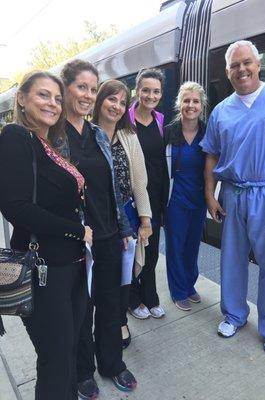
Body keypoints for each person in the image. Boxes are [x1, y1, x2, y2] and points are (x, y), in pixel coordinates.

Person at [200, 40, 265, 357]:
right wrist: (209, 195)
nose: (241, 70)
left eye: (246, 62)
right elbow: (211, 156)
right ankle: (234, 315)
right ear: (227, 71)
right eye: (234, 65)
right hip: (233, 193)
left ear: (258, 64)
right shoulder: (221, 111)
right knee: (232, 258)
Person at [0, 71, 93, 400]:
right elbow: (15, 207)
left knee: (67, 354)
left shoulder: (49, 144)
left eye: (56, 98)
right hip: (44, 271)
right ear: (22, 99)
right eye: (43, 95)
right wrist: (76, 230)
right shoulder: (15, 136)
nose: (52, 104)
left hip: (72, 265)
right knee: (55, 360)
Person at [60, 60, 137, 399]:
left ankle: (112, 363)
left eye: (93, 89)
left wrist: (122, 227)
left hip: (107, 237)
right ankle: (82, 372)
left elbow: (112, 190)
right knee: (80, 310)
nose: (88, 95)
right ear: (66, 88)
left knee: (109, 304)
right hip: (74, 241)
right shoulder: (53, 136)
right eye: (82, 87)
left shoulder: (96, 135)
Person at [92, 79, 153, 349]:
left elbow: (139, 180)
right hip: (95, 218)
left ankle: (119, 321)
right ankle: (98, 323)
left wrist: (145, 219)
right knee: (96, 275)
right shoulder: (85, 134)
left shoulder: (129, 136)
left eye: (122, 102)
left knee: (124, 273)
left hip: (126, 214)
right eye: (111, 99)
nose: (116, 106)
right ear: (99, 100)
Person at [164, 81, 207, 311]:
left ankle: (189, 285)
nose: (191, 105)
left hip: (199, 199)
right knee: (176, 245)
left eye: (196, 101)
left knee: (192, 245)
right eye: (186, 100)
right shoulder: (169, 132)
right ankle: (178, 290)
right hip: (175, 200)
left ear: (202, 106)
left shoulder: (208, 132)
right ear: (179, 103)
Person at [128, 68, 166, 319]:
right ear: (137, 91)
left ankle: (151, 296)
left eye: (156, 91)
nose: (151, 96)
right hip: (133, 197)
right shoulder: (126, 119)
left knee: (151, 250)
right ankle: (133, 299)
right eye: (146, 90)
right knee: (133, 250)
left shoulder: (160, 119)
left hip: (158, 194)